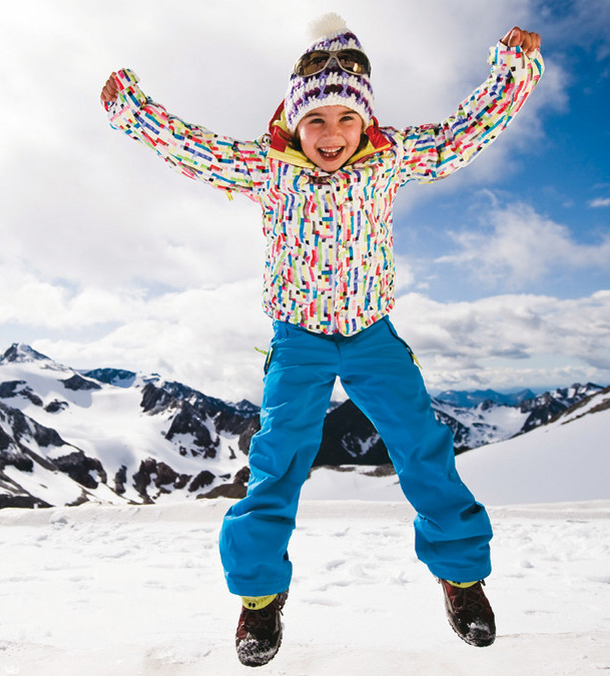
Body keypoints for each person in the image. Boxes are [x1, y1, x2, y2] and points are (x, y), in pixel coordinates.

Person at [101, 13, 542, 667]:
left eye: (345, 120)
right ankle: (257, 601)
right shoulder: (265, 167)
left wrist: (511, 68)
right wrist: (131, 109)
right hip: (298, 338)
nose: (330, 134)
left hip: (372, 334)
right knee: (277, 462)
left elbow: (461, 138)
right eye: (316, 121)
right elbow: (191, 147)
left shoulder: (390, 160)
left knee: (423, 446)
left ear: (365, 122)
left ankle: (462, 578)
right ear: (293, 120)